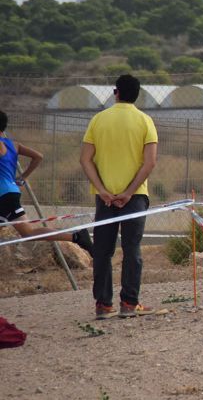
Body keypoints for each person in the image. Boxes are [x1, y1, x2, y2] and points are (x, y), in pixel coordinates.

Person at [79, 75, 159, 320]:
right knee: (132, 249)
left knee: (103, 251)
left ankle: (103, 305)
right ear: (137, 95)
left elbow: (85, 159)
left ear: (116, 92)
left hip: (104, 199)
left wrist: (102, 189)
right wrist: (129, 191)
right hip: (135, 197)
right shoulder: (145, 121)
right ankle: (129, 302)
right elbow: (150, 162)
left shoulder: (98, 120)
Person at [0, 111, 93, 252]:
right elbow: (38, 156)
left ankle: (76, 237)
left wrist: (24, 176)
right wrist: (23, 176)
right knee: (26, 233)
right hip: (10, 192)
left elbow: (38, 156)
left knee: (28, 233)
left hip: (5, 196)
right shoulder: (14, 145)